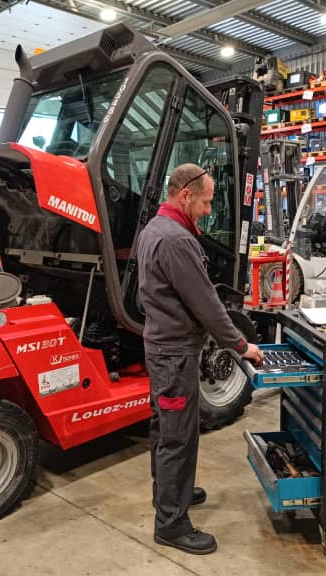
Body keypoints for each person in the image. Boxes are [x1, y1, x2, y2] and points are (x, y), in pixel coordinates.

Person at [136, 163, 264, 555]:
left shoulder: (153, 229)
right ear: (186, 195)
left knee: (166, 429)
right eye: (206, 202)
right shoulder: (176, 240)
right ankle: (171, 524)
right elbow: (207, 305)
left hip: (162, 348)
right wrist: (242, 347)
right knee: (177, 437)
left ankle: (172, 495)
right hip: (174, 355)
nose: (209, 211)